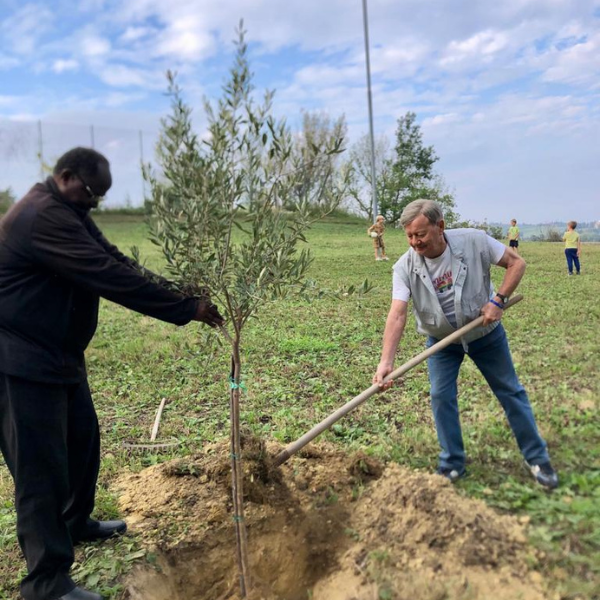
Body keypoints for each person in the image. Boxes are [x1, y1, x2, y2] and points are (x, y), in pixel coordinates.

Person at [0, 148, 224, 600]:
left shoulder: (69, 209)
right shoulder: (43, 216)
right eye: (91, 192)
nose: (95, 203)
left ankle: (75, 521)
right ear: (66, 176)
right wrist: (185, 309)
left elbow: (116, 258)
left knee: (82, 439)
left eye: (100, 197)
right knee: (40, 469)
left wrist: (179, 289)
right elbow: (107, 276)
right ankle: (46, 584)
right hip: (18, 360)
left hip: (57, 355)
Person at [373, 199, 558, 489]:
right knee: (440, 397)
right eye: (409, 236)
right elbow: (398, 313)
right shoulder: (404, 267)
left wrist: (498, 300)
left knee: (510, 392)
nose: (414, 242)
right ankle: (452, 464)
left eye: (420, 234)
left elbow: (516, 263)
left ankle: (537, 458)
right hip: (442, 342)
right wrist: (386, 362)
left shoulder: (473, 241)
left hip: (486, 336)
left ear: (440, 226)